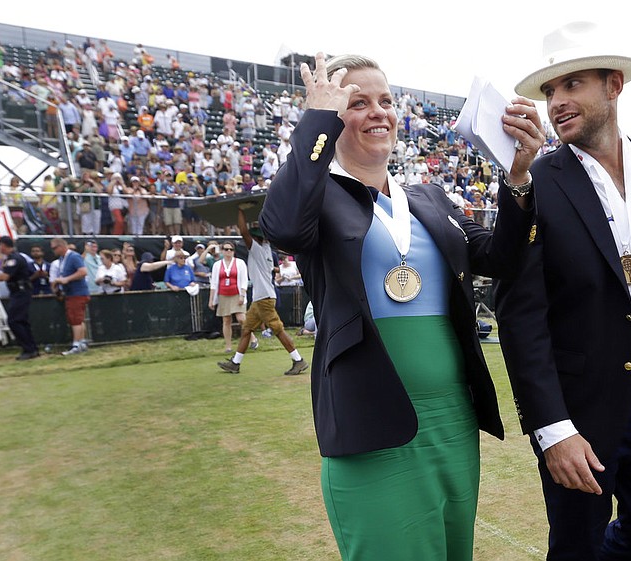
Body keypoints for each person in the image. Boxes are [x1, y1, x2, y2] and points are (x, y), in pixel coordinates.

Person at [258, 52, 536, 560]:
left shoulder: (430, 199)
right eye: (357, 102)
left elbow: (499, 257)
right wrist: (316, 118)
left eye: (385, 100)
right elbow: (282, 228)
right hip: (370, 418)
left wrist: (518, 178)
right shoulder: (317, 196)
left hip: (451, 417)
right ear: (334, 115)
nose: (377, 112)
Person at [493, 22, 631, 561]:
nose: (557, 103)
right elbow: (520, 316)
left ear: (613, 85)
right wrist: (551, 429)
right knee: (575, 547)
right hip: (579, 411)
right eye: (550, 92)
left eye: (571, 85)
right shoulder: (536, 181)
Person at [217, 213, 296, 373]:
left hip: (263, 298)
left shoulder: (258, 250)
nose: (249, 240)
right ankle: (235, 363)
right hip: (262, 298)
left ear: (257, 239)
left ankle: (298, 359)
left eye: (253, 237)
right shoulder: (266, 248)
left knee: (278, 330)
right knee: (247, 329)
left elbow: (244, 232)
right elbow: (251, 234)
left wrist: (239, 211)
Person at [0, 236, 40, 360]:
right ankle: (32, 348)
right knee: (22, 321)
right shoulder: (9, 258)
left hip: (21, 291)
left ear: (4, 245)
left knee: (14, 321)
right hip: (17, 291)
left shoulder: (14, 258)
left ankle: (28, 349)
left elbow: (4, 277)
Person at [208, 240, 253, 354]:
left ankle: (252, 338)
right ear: (222, 251)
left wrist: (242, 295)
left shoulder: (240, 263)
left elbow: (244, 280)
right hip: (223, 294)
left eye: (231, 249)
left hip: (237, 293)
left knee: (241, 318)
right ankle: (228, 346)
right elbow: (214, 283)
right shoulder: (217, 265)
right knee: (226, 320)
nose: (229, 252)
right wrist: (212, 300)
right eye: (226, 249)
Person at [49, 237, 91, 355]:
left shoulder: (73, 256)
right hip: (72, 293)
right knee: (78, 319)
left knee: (75, 319)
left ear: (61, 246)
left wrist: (67, 279)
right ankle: (82, 343)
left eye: (54, 248)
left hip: (77, 293)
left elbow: (83, 272)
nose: (53, 251)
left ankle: (76, 344)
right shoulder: (63, 258)